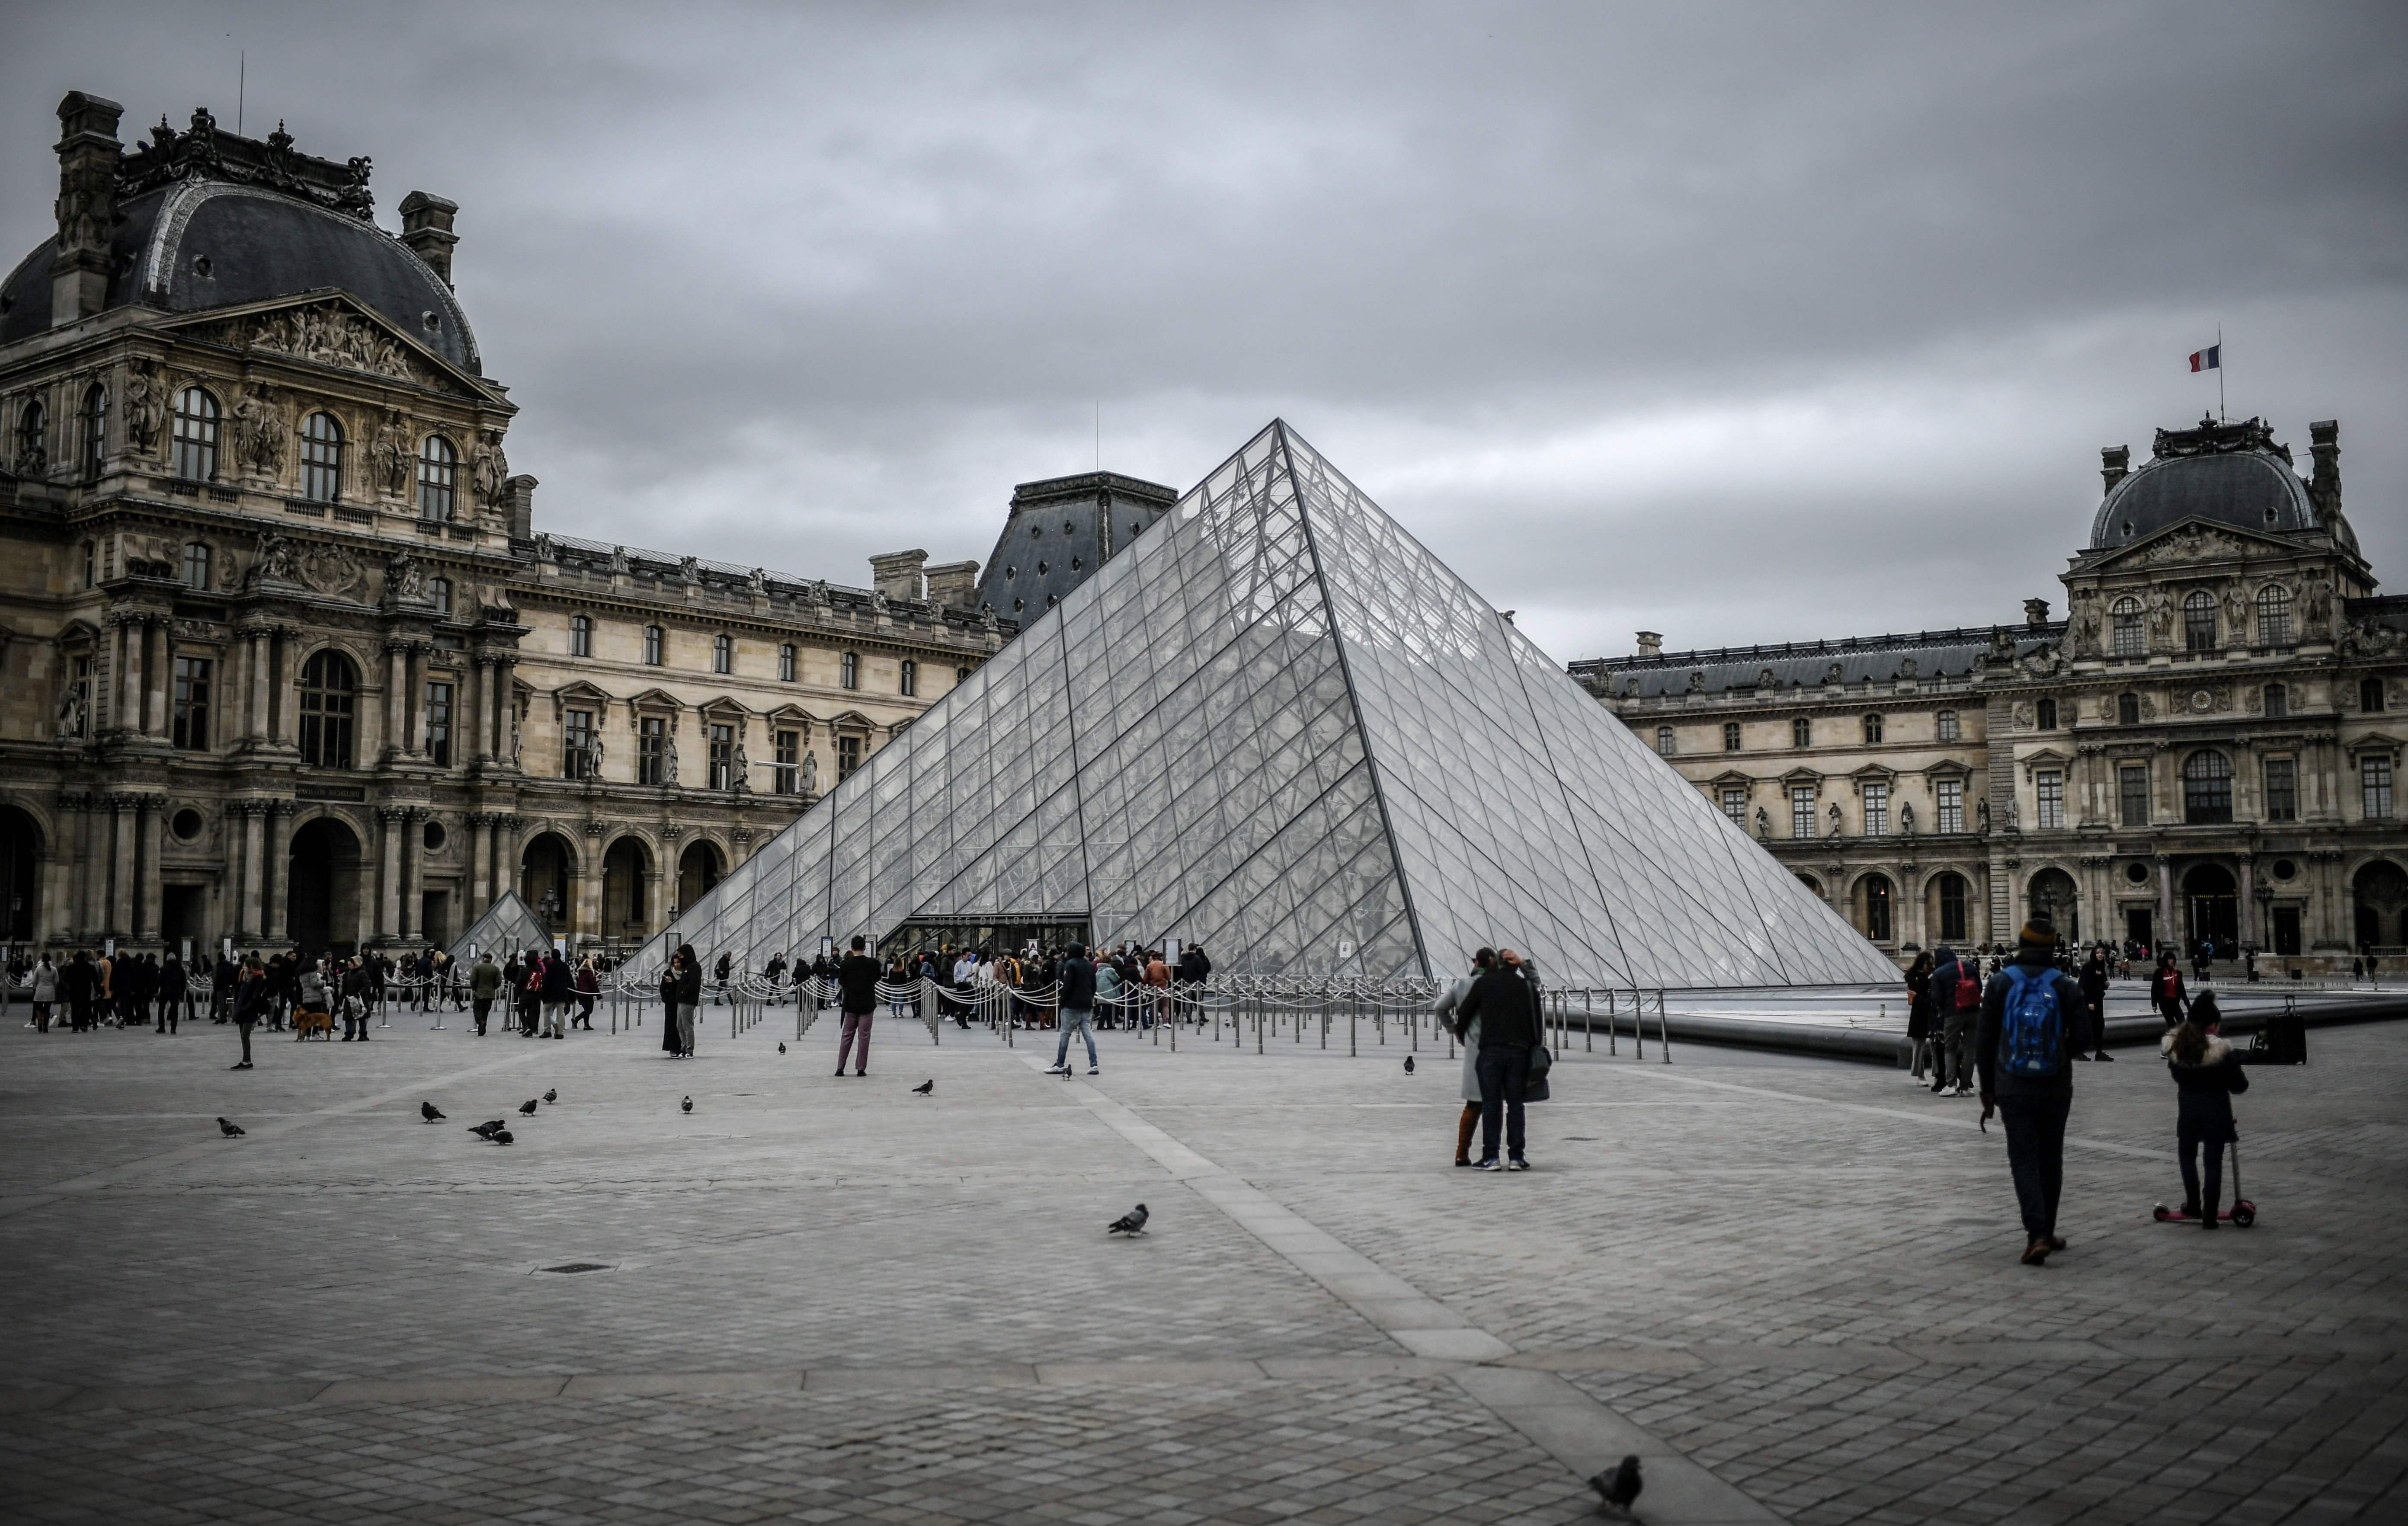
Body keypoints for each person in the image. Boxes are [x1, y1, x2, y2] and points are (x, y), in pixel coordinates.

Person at [1976, 916, 2089, 1266]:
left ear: (2021, 944)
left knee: (2024, 1160)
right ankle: (2048, 1229)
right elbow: (2086, 1039)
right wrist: (2058, 1052)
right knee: (2050, 1158)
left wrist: (1988, 1089)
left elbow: (1984, 1041)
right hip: (2055, 1086)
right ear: (2053, 947)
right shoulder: (2066, 985)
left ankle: (2037, 1233)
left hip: (2011, 1085)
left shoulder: (1999, 983)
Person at [2162, 992, 2249, 1228]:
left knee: (2187, 1156)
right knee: (2213, 1161)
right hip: (2217, 1113)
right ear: (2213, 1024)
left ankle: (2193, 1205)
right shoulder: (2222, 1050)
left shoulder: (2178, 1048)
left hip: (2188, 1111)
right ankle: (2210, 1215)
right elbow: (2239, 1086)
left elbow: (2176, 1076)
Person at [1453, 944, 1540, 1171]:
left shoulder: (1484, 983)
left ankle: (1491, 1157)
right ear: (1515, 966)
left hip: (1490, 1052)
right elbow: (1536, 1018)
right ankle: (1517, 1158)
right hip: (1518, 1052)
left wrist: (1463, 1037)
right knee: (1516, 1105)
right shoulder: (1525, 986)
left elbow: (1464, 1015)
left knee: (1491, 1105)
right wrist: (1524, 964)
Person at [1434, 949, 1496, 1166]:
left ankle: (1462, 1153)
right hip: (1499, 1048)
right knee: (1496, 1104)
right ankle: (1495, 1155)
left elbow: (1440, 1007)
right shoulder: (1497, 984)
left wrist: (1456, 1032)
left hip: (1474, 1050)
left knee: (1473, 1104)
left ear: (1476, 962)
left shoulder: (1462, 985)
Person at [1931, 944, 1982, 1096]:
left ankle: (1951, 1085)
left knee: (1950, 1048)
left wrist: (1943, 1010)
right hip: (1973, 1013)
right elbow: (1979, 988)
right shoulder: (1969, 967)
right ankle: (1965, 1087)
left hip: (1953, 1014)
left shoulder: (1939, 973)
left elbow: (1936, 998)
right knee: (1970, 1049)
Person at [1048, 942, 1099, 1075]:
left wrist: (1062, 1003)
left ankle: (1060, 1064)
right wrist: (1090, 997)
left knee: (1065, 1034)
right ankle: (1094, 1064)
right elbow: (1094, 985)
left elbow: (1068, 986)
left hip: (1071, 1005)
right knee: (1088, 1034)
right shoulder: (1089, 965)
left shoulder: (1070, 964)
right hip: (1087, 1004)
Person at [835, 934, 880, 1076]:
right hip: (867, 1004)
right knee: (864, 1036)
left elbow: (842, 982)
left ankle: (840, 1068)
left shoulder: (845, 964)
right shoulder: (873, 964)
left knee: (847, 1035)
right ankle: (861, 1068)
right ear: (865, 948)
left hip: (851, 1004)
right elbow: (877, 978)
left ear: (852, 948)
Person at [1903, 950, 1937, 1084]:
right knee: (1919, 1047)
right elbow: (1914, 998)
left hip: (1931, 1013)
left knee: (1937, 1046)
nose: (1930, 966)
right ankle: (1920, 1075)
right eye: (1928, 963)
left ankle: (1937, 1074)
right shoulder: (1914, 977)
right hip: (1920, 1014)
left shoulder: (1934, 976)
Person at [663, 944, 701, 1057]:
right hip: (681, 1000)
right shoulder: (688, 967)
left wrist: (683, 993)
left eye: (681, 955)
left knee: (687, 1026)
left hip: (688, 1001)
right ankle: (683, 1048)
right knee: (680, 1026)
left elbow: (693, 984)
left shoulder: (694, 967)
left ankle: (689, 1050)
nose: (680, 958)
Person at [2078, 946, 2113, 1061]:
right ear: (2094, 954)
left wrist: (2106, 984)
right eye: (2098, 953)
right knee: (2088, 1027)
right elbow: (2084, 986)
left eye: (2102, 953)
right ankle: (2079, 1052)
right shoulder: (2088, 967)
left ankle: (2099, 1052)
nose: (2100, 955)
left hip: (2098, 1001)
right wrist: (2089, 1002)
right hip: (2089, 1002)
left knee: (2099, 1026)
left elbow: (2101, 985)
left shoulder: (2101, 968)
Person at [229, 957, 266, 1069]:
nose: (243, 967)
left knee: (245, 1036)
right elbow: (240, 992)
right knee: (243, 1036)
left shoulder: (258, 978)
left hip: (250, 1010)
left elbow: (255, 995)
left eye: (245, 966)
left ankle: (247, 1061)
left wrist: (247, 1006)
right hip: (242, 1009)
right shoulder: (246, 978)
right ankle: (246, 1060)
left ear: (251, 967)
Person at [2151, 950, 2189, 1030]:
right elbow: (2154, 989)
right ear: (2166, 961)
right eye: (2170, 959)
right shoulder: (2159, 973)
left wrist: (2187, 1004)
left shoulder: (2178, 973)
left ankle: (2184, 1039)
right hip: (2164, 1002)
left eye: (2173, 959)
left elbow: (2182, 990)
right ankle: (2174, 1040)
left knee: (2182, 1021)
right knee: (2172, 1024)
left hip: (2175, 1002)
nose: (2172, 961)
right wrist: (2154, 1004)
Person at [539, 950, 573, 1040]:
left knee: (546, 1010)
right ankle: (560, 1033)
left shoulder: (550, 966)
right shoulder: (565, 966)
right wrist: (572, 994)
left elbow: (546, 980)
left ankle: (548, 1031)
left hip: (550, 993)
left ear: (552, 957)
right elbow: (570, 980)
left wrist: (543, 993)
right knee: (561, 1012)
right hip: (562, 993)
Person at [470, 950, 502, 1036]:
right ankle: (482, 1030)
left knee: (476, 1009)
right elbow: (499, 981)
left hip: (479, 993)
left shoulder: (477, 968)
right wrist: (493, 987)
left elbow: (473, 980)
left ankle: (480, 1021)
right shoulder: (496, 969)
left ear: (483, 959)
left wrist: (474, 988)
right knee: (486, 1011)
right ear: (491, 959)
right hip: (490, 993)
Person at [29, 953, 57, 1033]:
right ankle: (46, 1026)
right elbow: (57, 981)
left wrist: (36, 986)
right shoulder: (54, 970)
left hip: (40, 990)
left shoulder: (39, 969)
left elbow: (34, 981)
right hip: (50, 990)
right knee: (47, 1009)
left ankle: (40, 1022)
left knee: (38, 1008)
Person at [573, 957, 600, 1030]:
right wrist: (599, 995)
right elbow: (593, 984)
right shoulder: (590, 973)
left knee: (586, 1009)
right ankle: (576, 1019)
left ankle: (586, 1025)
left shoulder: (580, 972)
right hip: (587, 994)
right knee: (589, 1010)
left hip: (580, 994)